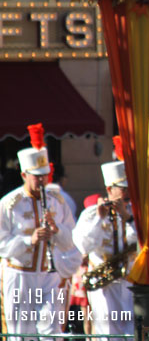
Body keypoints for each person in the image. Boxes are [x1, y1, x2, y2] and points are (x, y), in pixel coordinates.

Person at [0, 128, 77, 337]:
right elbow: (2, 244)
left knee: (51, 330)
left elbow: (71, 241)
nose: (43, 181)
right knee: (21, 332)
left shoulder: (58, 201)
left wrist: (57, 230)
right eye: (37, 177)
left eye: (45, 176)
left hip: (48, 274)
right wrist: (29, 240)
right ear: (24, 175)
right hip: (20, 275)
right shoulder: (8, 204)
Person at [72, 158, 137, 338]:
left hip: (130, 280)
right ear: (110, 189)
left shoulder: (136, 213)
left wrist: (127, 218)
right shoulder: (91, 213)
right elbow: (83, 245)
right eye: (123, 189)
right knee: (106, 333)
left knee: (131, 332)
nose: (128, 193)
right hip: (104, 282)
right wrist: (99, 219)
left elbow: (145, 243)